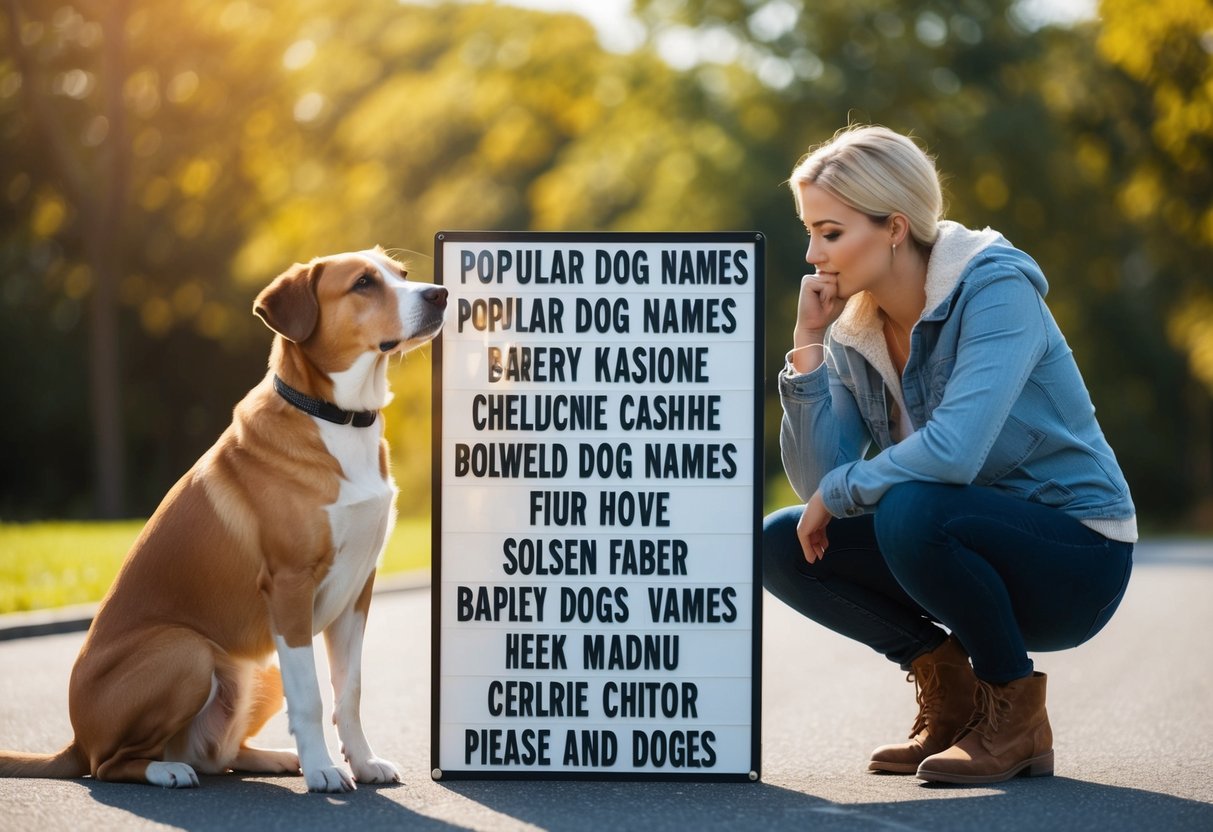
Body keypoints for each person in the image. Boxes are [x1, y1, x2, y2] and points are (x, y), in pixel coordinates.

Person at [764, 125, 1136, 784]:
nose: (812, 254)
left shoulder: (995, 289)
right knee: (779, 542)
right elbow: (819, 480)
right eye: (809, 232)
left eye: (829, 232)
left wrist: (842, 494)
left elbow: (953, 455)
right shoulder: (855, 327)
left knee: (911, 507)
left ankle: (1014, 715)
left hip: (1076, 556)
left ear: (894, 228)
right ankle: (951, 690)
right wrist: (808, 345)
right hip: (956, 540)